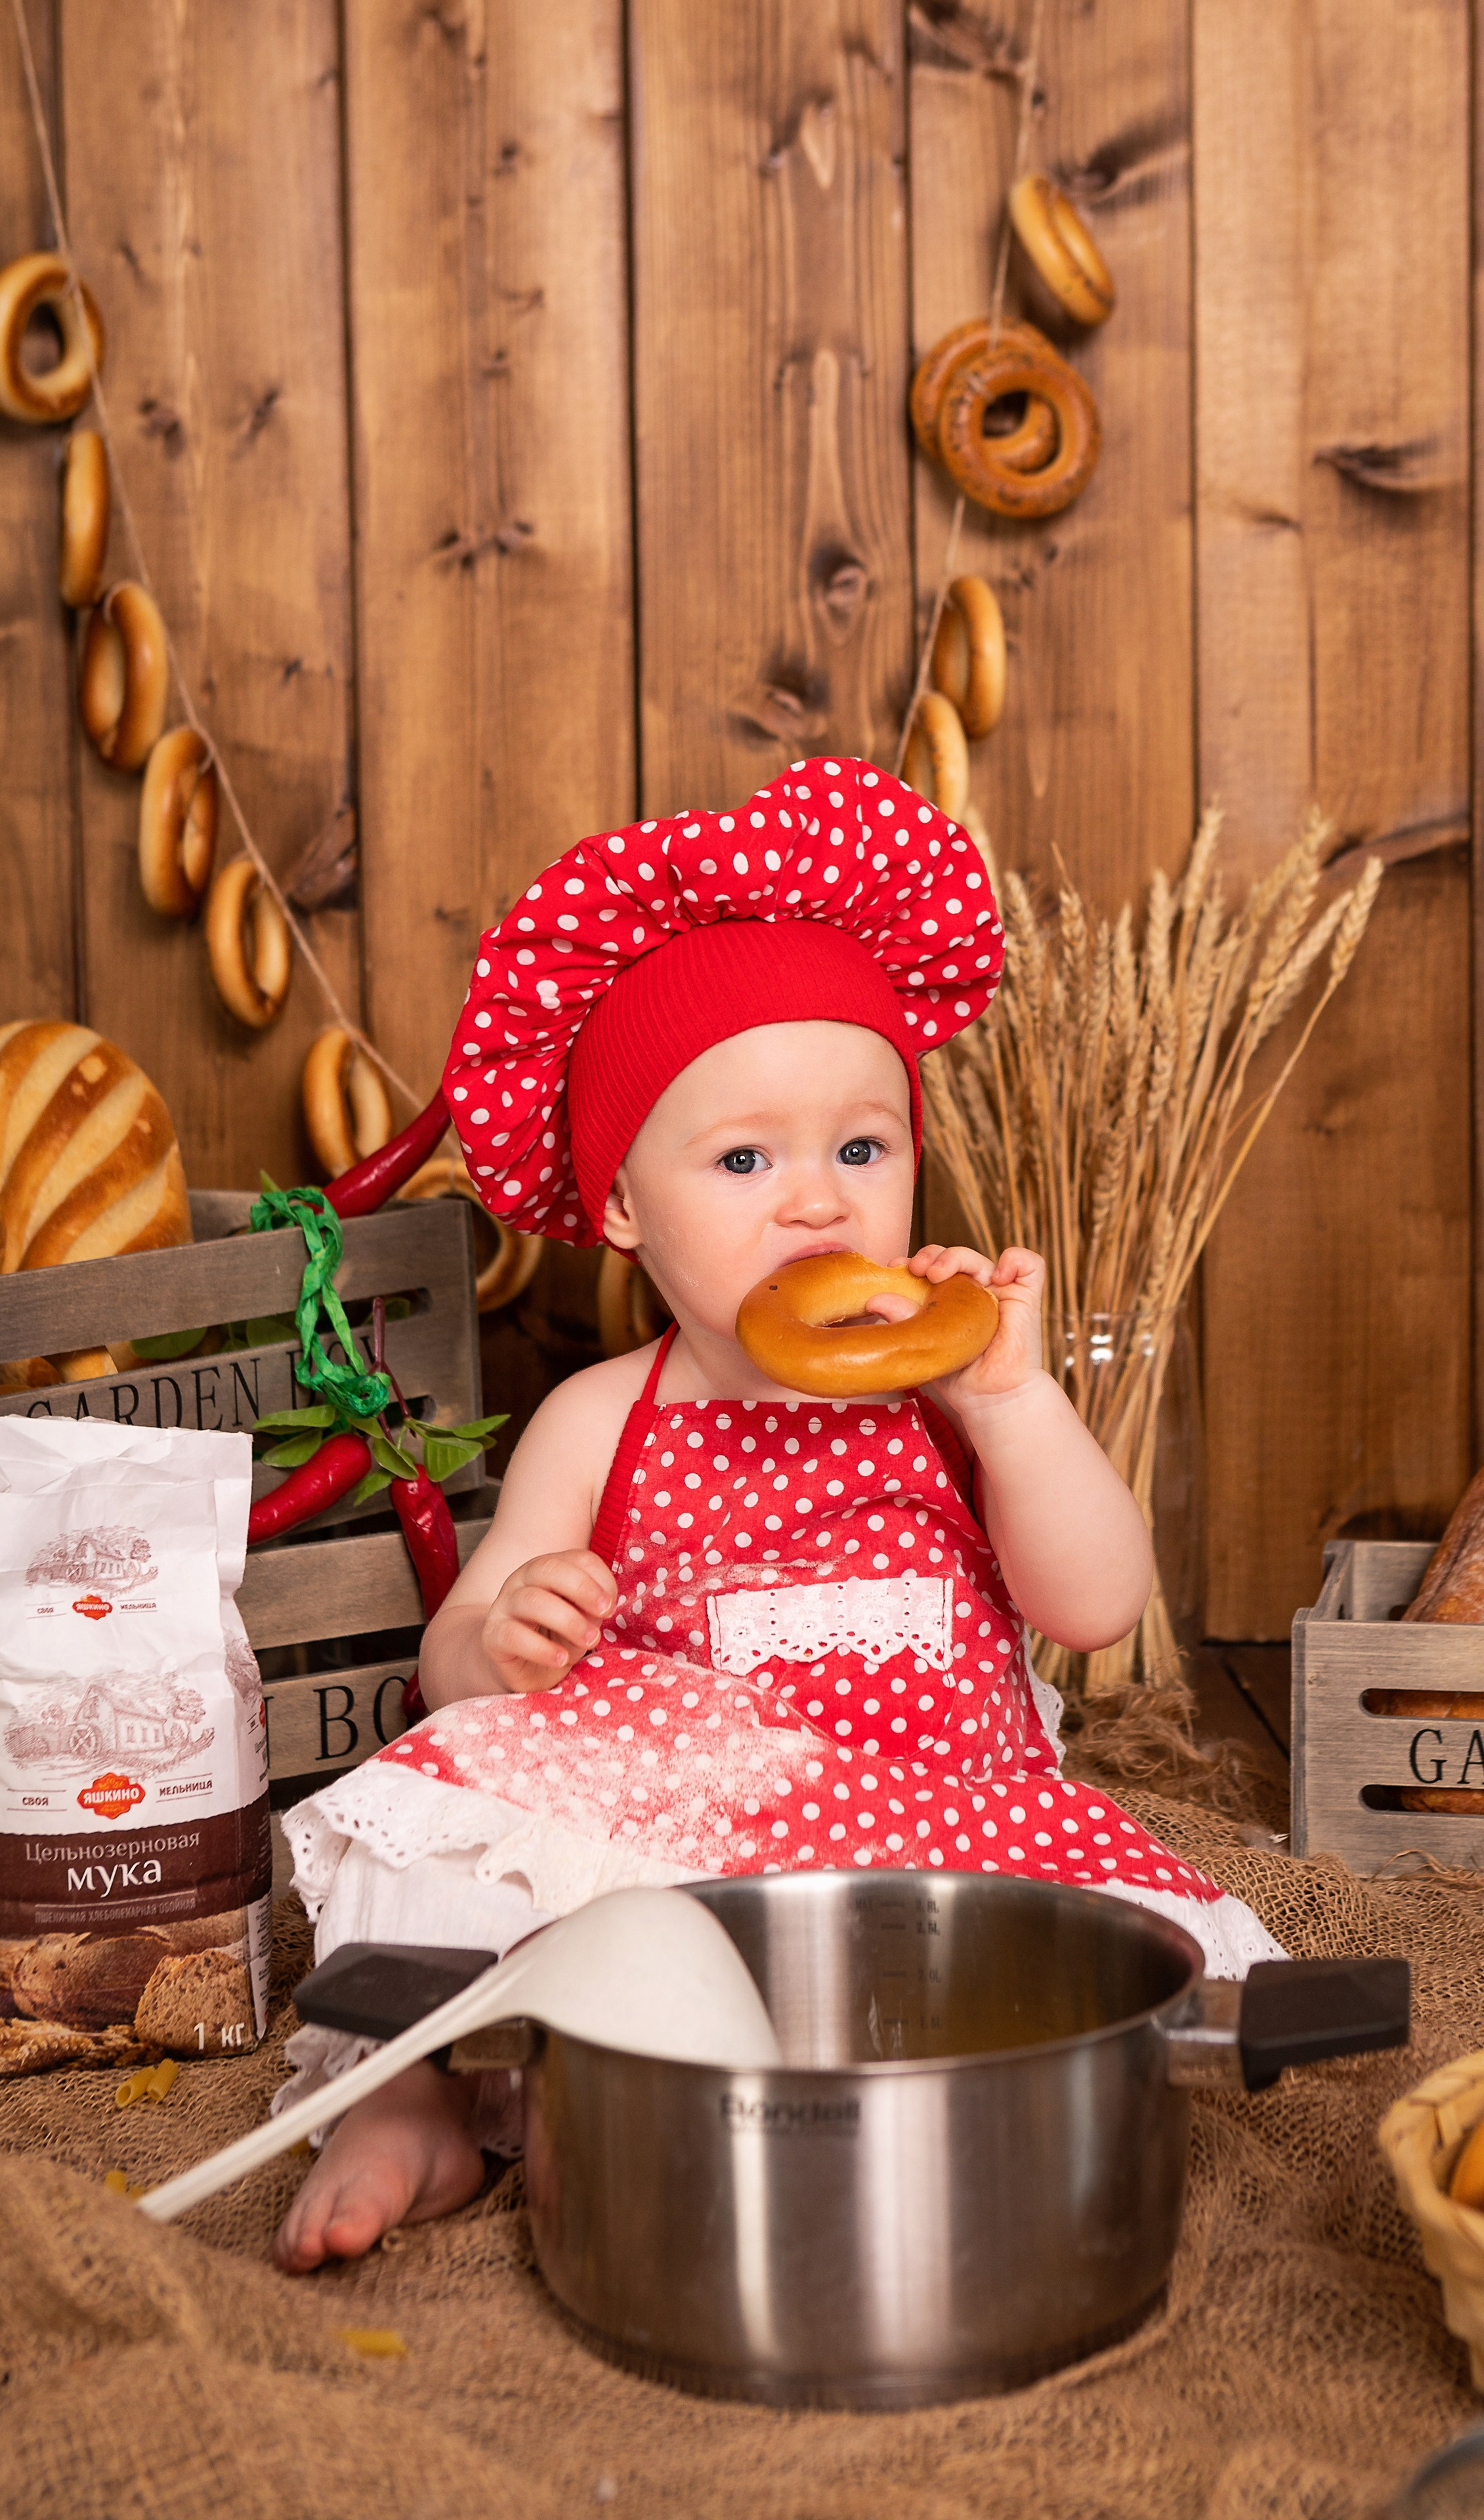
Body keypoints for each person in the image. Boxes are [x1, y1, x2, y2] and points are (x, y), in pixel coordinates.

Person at [272, 756, 1283, 2273]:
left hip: (929, 1827)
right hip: (667, 1822)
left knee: (1101, 1961)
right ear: (620, 1204)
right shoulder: (604, 1414)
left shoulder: (950, 1394)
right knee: (442, 1804)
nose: (815, 1203)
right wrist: (504, 1637)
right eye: (743, 1159)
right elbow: (453, 1654)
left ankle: (916, 2092)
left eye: (859, 1150)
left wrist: (1011, 1404)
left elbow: (1091, 1608)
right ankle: (417, 2091)